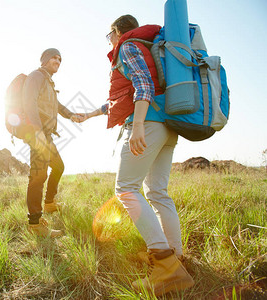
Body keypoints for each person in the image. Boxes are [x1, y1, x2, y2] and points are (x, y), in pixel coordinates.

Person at [80, 15, 195, 296]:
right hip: (168, 125)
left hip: (148, 123)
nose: (111, 42)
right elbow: (122, 97)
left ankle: (166, 266)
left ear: (118, 32)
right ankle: (175, 257)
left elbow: (142, 85)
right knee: (157, 191)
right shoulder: (150, 46)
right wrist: (90, 115)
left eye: (110, 36)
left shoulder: (129, 46)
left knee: (126, 189)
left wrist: (139, 126)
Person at [22, 48, 83, 238]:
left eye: (60, 58)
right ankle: (35, 224)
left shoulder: (48, 82)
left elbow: (57, 106)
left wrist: (71, 115)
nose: (58, 60)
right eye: (54, 57)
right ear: (45, 60)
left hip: (46, 134)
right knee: (38, 176)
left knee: (58, 167)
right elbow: (28, 102)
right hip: (38, 133)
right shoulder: (36, 76)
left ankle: (49, 203)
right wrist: (37, 131)